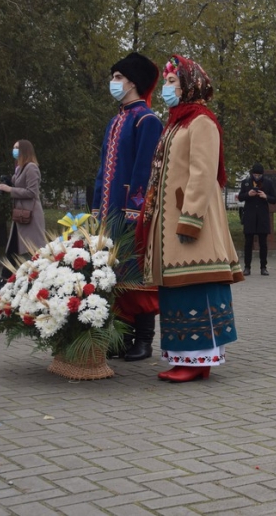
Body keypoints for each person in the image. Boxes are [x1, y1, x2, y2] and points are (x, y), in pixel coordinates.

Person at [141, 54, 243, 383]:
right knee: (176, 290)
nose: (166, 89)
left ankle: (199, 359)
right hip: (169, 225)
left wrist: (191, 218)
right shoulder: (177, 122)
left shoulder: (201, 121)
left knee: (196, 287)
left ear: (190, 85)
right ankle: (184, 357)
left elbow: (203, 173)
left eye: (173, 82)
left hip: (191, 223)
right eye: (166, 83)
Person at [93, 52, 162, 361]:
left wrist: (135, 211)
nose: (113, 82)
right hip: (108, 212)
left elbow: (144, 171)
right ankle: (120, 337)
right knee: (111, 275)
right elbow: (102, 169)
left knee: (134, 275)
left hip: (131, 213)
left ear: (133, 82)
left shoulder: (147, 120)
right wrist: (96, 209)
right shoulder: (115, 120)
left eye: (118, 77)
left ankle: (144, 340)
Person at [0, 140, 47, 293]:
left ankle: (40, 281)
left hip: (30, 216)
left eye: (17, 148)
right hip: (20, 217)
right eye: (13, 147)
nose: (14, 150)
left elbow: (32, 192)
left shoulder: (31, 168)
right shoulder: (19, 168)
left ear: (25, 150)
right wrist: (9, 180)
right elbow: (19, 184)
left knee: (31, 251)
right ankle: (4, 281)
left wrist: (9, 189)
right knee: (12, 249)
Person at [238, 163, 276, 276]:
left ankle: (263, 267)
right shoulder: (246, 182)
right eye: (255, 174)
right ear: (252, 174)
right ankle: (247, 267)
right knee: (248, 243)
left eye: (259, 175)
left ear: (262, 175)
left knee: (263, 243)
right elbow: (240, 197)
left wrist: (266, 196)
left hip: (262, 216)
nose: (257, 177)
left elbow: (274, 199)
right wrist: (248, 194)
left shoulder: (268, 183)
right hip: (249, 216)